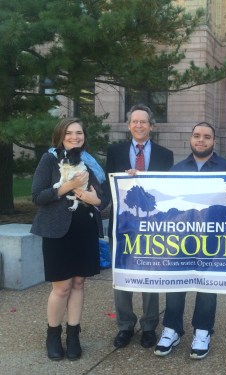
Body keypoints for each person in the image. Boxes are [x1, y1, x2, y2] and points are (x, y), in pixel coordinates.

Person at [154, 121, 226, 360]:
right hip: (181, 236)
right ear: (191, 139)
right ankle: (172, 328)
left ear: (214, 141)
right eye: (197, 135)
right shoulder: (177, 168)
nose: (201, 140)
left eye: (206, 137)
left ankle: (203, 330)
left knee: (208, 284)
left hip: (212, 237)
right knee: (176, 281)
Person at [31, 118, 109, 361]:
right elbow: (37, 195)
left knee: (78, 284)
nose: (75, 137)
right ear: (61, 136)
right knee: (61, 287)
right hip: (57, 231)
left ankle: (73, 334)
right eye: (69, 133)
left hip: (84, 228)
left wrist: (96, 200)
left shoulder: (91, 162)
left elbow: (103, 199)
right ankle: (53, 335)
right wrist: (69, 186)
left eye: (79, 133)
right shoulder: (50, 159)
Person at [105, 104, 174, 349]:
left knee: (149, 275)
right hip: (122, 225)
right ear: (128, 126)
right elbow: (108, 189)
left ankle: (148, 326)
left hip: (153, 227)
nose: (138, 125)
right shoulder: (115, 152)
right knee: (122, 275)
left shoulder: (166, 155)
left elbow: (167, 191)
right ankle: (125, 325)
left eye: (143, 122)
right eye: (134, 121)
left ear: (151, 126)